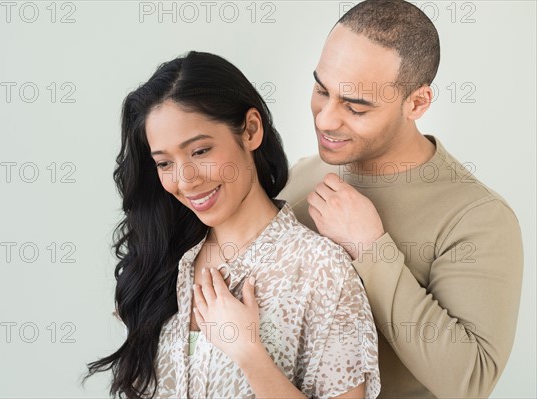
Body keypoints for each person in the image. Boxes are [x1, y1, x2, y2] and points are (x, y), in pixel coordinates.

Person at [83, 51, 380, 399]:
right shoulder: (161, 263)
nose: (186, 180)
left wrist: (250, 355)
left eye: (199, 152)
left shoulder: (321, 270)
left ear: (251, 130)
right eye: (165, 163)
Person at [279, 0, 524, 398]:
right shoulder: (300, 174)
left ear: (417, 103)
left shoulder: (478, 218)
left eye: (355, 107)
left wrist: (371, 249)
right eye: (321, 90)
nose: (325, 119)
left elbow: (470, 382)